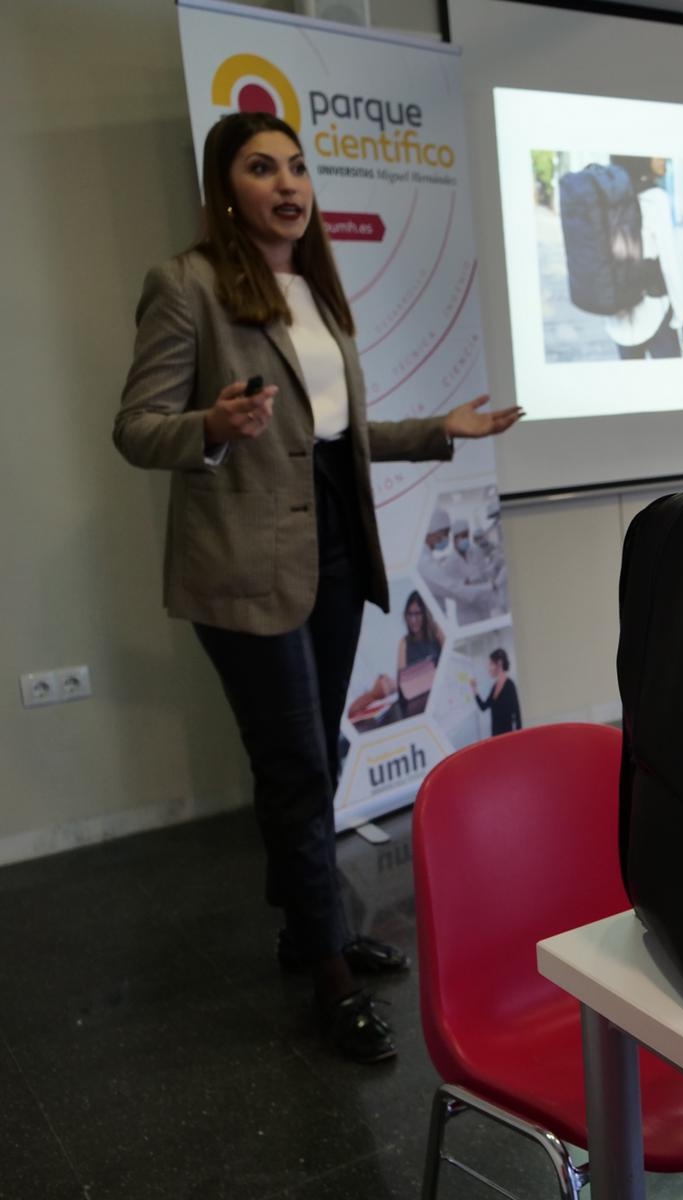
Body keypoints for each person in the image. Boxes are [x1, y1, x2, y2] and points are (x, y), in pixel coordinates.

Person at [112, 111, 522, 1064]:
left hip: (335, 544)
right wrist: (210, 426)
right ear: (226, 189)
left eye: (297, 167)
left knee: (314, 755)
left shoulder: (316, 289)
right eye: (262, 168)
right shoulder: (186, 285)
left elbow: (332, 433)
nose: (288, 184)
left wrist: (439, 429)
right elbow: (136, 428)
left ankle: (308, 929)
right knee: (296, 765)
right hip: (241, 561)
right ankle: (329, 975)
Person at [606, 155, 683, 359]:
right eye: (656, 153)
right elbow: (670, 265)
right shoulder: (656, 198)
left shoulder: (610, 196)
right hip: (655, 313)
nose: (664, 158)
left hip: (619, 319)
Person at [395, 590, 444, 717]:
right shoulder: (404, 643)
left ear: (425, 614)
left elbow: (450, 664)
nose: (413, 620)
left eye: (417, 614)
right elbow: (402, 687)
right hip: (417, 707)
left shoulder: (437, 633)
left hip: (440, 701)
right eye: (410, 614)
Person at [470, 648, 522, 737]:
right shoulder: (495, 687)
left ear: (499, 663)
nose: (489, 668)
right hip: (495, 736)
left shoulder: (510, 685)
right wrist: (474, 689)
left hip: (507, 737)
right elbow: (483, 706)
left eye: (491, 664)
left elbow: (517, 715)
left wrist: (518, 738)